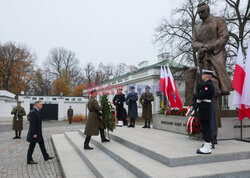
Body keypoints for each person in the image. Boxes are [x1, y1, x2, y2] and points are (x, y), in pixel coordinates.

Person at [192, 2, 232, 95]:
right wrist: (203, 47)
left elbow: (224, 36)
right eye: (199, 13)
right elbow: (194, 43)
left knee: (215, 80)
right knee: (204, 80)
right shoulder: (196, 27)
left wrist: (212, 46)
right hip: (203, 55)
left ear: (208, 10)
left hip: (217, 53)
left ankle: (218, 96)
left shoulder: (218, 20)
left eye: (202, 11)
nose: (200, 14)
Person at [194, 70, 216, 154]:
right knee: (206, 127)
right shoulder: (209, 84)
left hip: (205, 108)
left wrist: (196, 95)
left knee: (206, 127)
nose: (202, 76)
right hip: (206, 107)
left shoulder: (208, 84)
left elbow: (204, 95)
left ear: (207, 75)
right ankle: (208, 144)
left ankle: (207, 147)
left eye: (203, 74)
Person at [211, 74, 221, 145]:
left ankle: (214, 137)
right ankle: (213, 137)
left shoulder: (215, 85)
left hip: (214, 104)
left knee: (215, 121)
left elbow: (218, 93)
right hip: (212, 103)